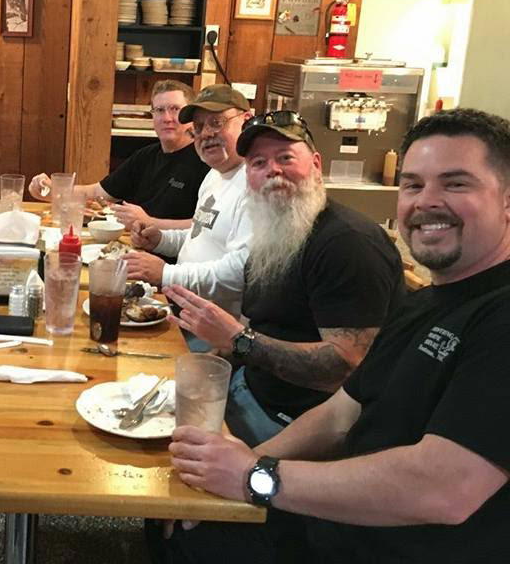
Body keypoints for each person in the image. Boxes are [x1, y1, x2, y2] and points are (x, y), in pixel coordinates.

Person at [153, 108, 510, 564]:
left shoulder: (496, 314)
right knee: (172, 509)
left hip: (389, 543)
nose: (427, 202)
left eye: (456, 184)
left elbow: (445, 489)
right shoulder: (429, 302)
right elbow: (342, 413)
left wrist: (255, 476)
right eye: (413, 185)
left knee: (186, 534)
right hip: (342, 517)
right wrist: (244, 463)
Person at [165, 111, 404, 447]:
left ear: (316, 165)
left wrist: (238, 340)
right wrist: (209, 364)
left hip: (293, 426)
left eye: (285, 157)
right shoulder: (274, 233)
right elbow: (264, 325)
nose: (272, 170)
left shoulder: (348, 244)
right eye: (258, 162)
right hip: (247, 389)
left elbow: (346, 368)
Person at [122, 86, 253, 324]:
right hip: (182, 309)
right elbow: (200, 235)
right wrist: (161, 240)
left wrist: (166, 273)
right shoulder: (215, 174)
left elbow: (239, 274)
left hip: (214, 328)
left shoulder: (255, 185)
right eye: (199, 127)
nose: (206, 134)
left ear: (247, 120)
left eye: (217, 122)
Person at [28, 80, 209, 229]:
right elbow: (97, 192)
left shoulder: (206, 161)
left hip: (173, 257)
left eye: (175, 109)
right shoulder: (145, 156)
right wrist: (53, 191)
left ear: (190, 116)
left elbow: (206, 226)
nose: (167, 118)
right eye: (159, 110)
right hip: (134, 244)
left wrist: (149, 222)